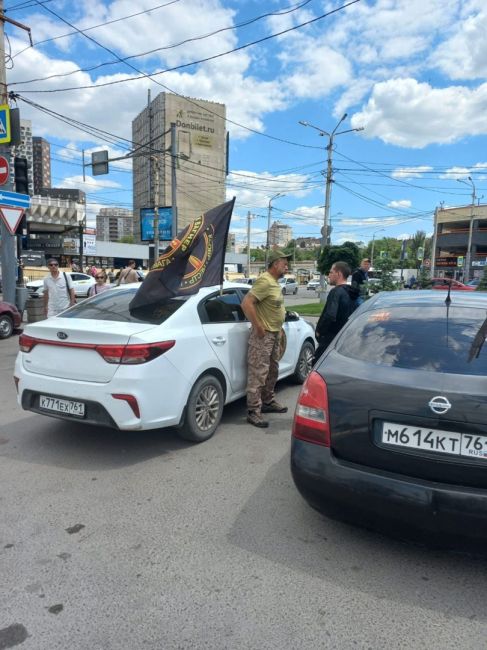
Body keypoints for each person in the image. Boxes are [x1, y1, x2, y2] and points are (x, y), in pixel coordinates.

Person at [241, 249, 292, 428]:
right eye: (284, 263)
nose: (287, 266)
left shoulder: (274, 283)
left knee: (272, 370)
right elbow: (246, 303)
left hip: (274, 333)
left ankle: (268, 401)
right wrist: (259, 327)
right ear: (275, 263)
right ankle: (253, 411)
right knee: (258, 373)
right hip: (264, 336)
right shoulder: (264, 281)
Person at [314, 261, 358, 364]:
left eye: (330, 272)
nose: (328, 275)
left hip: (331, 339)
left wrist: (320, 331)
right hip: (346, 339)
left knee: (317, 365)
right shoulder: (352, 293)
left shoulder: (336, 292)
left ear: (338, 274)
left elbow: (330, 315)